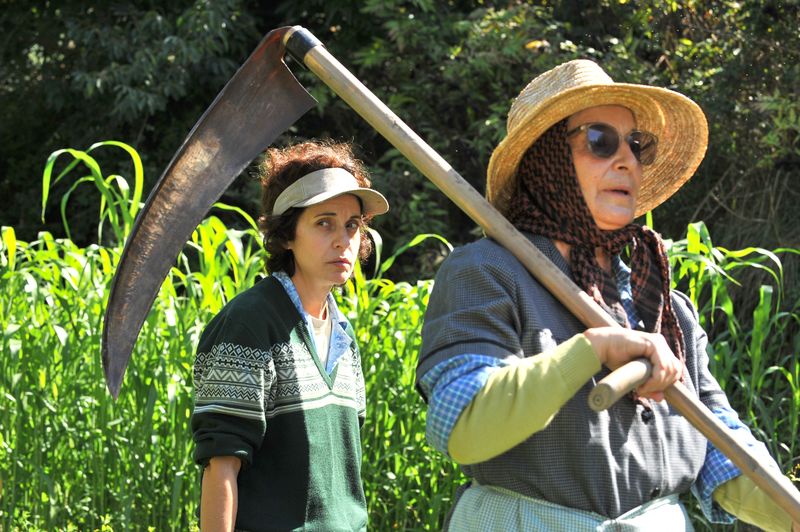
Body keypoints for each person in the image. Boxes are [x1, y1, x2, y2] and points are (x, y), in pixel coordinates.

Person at [416, 60, 799, 531]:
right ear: (547, 159)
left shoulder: (661, 301)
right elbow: (465, 427)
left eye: (637, 145)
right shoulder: (486, 272)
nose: (627, 160)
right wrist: (592, 350)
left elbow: (720, 447)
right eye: (601, 140)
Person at [191, 140, 389, 531]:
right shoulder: (250, 324)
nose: (342, 240)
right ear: (286, 235)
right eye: (324, 223)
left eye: (352, 225)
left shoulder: (344, 338)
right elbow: (222, 465)